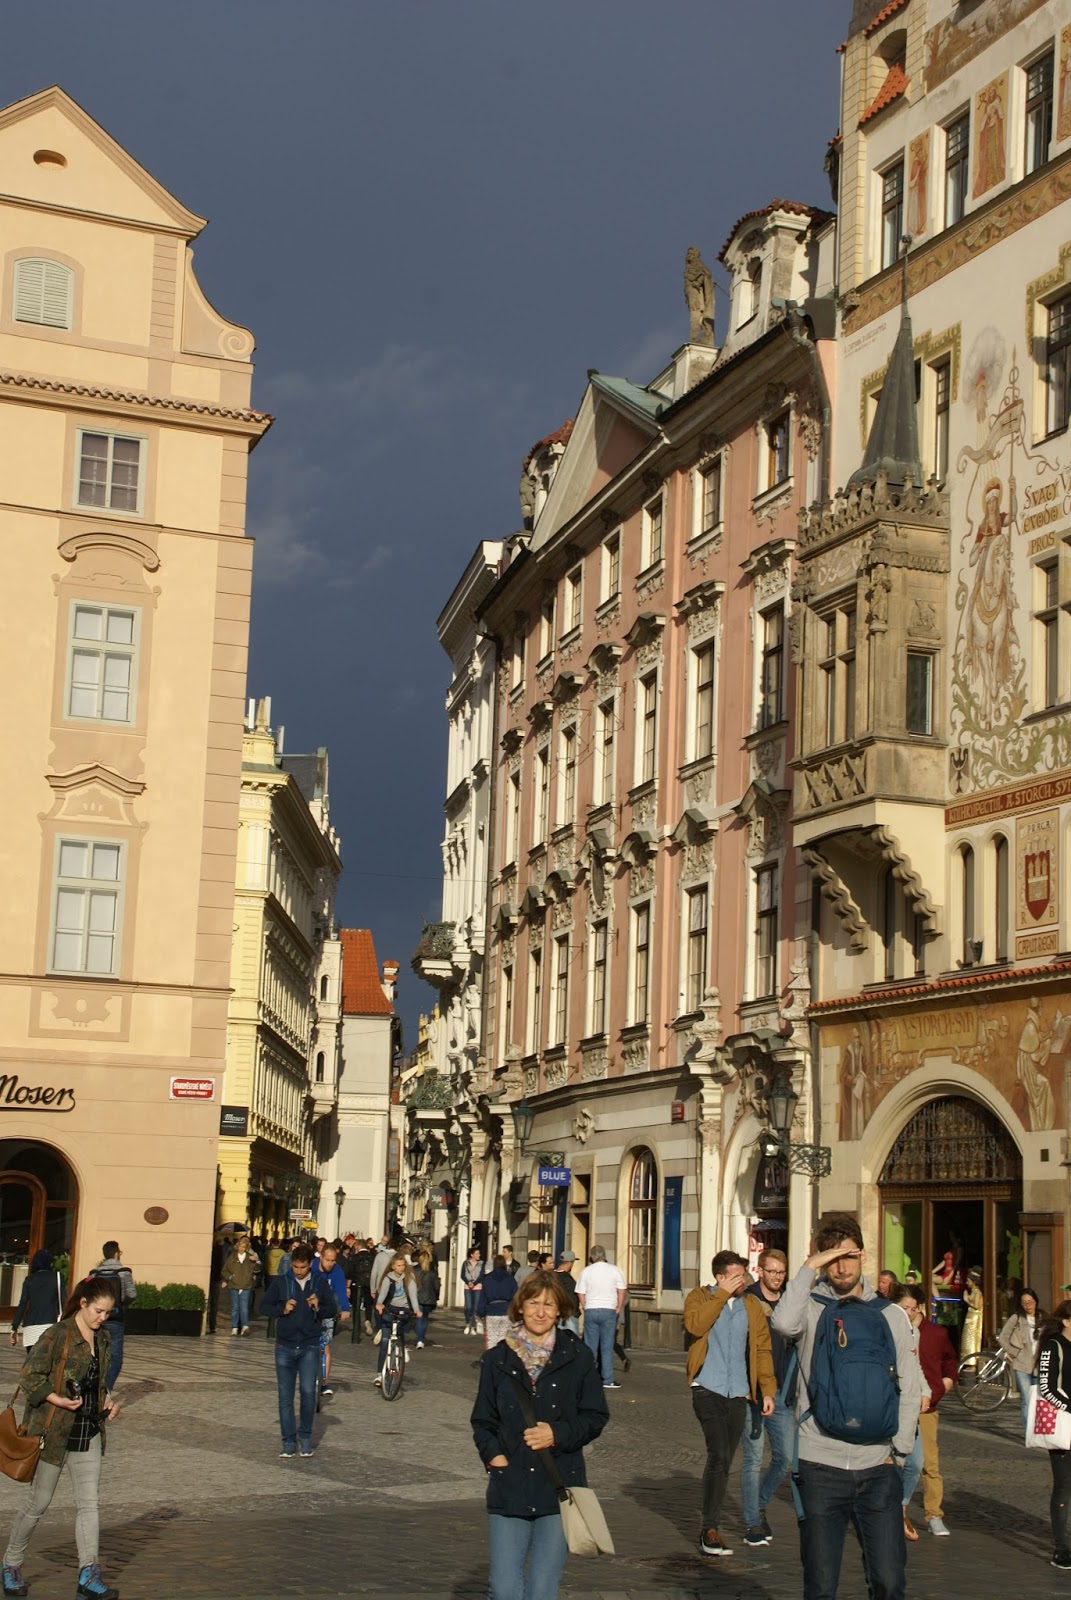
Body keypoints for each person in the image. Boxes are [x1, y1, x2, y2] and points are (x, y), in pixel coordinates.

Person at [772, 1212, 920, 1600]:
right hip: (820, 1463)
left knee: (889, 1581)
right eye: (832, 1258)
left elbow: (910, 1386)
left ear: (863, 1256)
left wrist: (899, 1453)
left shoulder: (891, 1315)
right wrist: (808, 1266)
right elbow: (782, 1324)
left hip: (878, 1466)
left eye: (849, 1256)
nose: (841, 1267)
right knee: (821, 1585)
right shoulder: (810, 1308)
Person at [471, 1270, 609, 1600]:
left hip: (559, 1485)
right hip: (510, 1484)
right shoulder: (497, 1358)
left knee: (542, 1591)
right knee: (504, 1590)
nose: (540, 1312)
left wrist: (556, 1433)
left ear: (560, 1310)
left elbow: (595, 1416)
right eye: (533, 1303)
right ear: (520, 1307)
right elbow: (483, 1420)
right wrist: (495, 1457)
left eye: (549, 1305)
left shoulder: (578, 1357)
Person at [2, 1275, 122, 1600]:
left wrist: (108, 1401)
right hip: (52, 1432)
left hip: (88, 1431)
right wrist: (56, 1398)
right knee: (38, 1503)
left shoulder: (103, 1338)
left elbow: (99, 1383)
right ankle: (11, 1564)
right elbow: (29, 1376)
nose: (103, 1318)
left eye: (108, 1312)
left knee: (89, 1505)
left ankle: (89, 1575)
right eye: (98, 1311)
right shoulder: (57, 1334)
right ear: (83, 1304)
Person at [684, 1249, 776, 1558]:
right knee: (719, 1454)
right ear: (720, 1277)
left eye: (744, 1274)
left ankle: (712, 1526)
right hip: (706, 1387)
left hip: (738, 1392)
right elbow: (695, 1326)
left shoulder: (751, 1306)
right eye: (736, 1276)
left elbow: (762, 1349)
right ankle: (709, 1529)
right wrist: (720, 1296)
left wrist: (767, 1390)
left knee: (725, 1461)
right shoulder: (699, 1298)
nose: (743, 1280)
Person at [260, 1244, 337, 1457]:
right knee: (285, 1396)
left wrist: (319, 1306)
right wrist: (282, 1309)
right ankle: (288, 1441)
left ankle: (305, 1437)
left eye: (303, 1267)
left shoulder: (319, 1282)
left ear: (310, 1264)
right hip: (284, 1346)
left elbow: (332, 1309)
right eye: (295, 1267)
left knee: (308, 1393)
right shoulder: (282, 1282)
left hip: (309, 1345)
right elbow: (264, 1306)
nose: (299, 1271)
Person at [893, 1283, 956, 1537]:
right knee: (896, 1460)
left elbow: (948, 1360)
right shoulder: (892, 1329)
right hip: (898, 1404)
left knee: (926, 1462)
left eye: (912, 1308)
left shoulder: (934, 1333)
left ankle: (933, 1514)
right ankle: (893, 1510)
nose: (908, 1312)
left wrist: (942, 1385)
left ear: (920, 1307)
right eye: (903, 1307)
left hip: (926, 1407)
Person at [741, 1247, 793, 1547]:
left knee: (784, 1458)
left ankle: (759, 1503)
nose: (777, 1277)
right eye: (772, 1271)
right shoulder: (748, 1299)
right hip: (751, 1391)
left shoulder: (789, 1302)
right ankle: (752, 1523)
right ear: (760, 1271)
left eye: (782, 1272)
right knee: (753, 1459)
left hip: (782, 1390)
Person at [1036, 1299, 1071, 1570]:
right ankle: (1061, 1548)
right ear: (1066, 1321)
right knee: (1064, 1486)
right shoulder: (1054, 1345)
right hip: (1064, 1424)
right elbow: (1047, 1387)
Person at [575, 1246, 626, 1389]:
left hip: (591, 1309)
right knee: (607, 1346)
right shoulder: (615, 1270)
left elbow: (580, 1292)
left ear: (591, 1257)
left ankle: (590, 1377)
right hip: (609, 1309)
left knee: (590, 1346)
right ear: (604, 1255)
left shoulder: (586, 1271)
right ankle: (607, 1379)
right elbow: (621, 1291)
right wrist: (618, 1307)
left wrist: (585, 1306)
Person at [90, 1243, 136, 1392]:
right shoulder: (124, 1272)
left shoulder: (94, 1273)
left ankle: (94, 1386)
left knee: (96, 1354)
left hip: (96, 1319)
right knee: (115, 1357)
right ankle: (107, 1389)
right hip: (116, 1318)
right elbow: (132, 1294)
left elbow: (88, 1294)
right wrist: (121, 1304)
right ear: (116, 1253)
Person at [999, 1285, 1042, 1434]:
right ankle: (1029, 1432)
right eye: (1024, 1302)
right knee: (1027, 1399)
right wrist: (1016, 1352)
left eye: (1030, 1302)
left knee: (1039, 1399)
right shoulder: (1016, 1318)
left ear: (1036, 1301)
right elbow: (1003, 1338)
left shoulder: (1043, 1318)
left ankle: (1038, 1430)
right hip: (1022, 1365)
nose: (1027, 1305)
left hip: (1040, 1364)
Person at [373, 1253, 421, 1384]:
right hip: (389, 1309)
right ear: (393, 1266)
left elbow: (413, 1296)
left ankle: (401, 1347)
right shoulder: (388, 1278)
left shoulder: (409, 1278)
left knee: (400, 1331)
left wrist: (416, 1310)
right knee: (385, 1342)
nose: (401, 1268)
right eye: (398, 1265)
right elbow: (383, 1294)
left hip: (403, 1309)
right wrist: (379, 1304)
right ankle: (379, 1374)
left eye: (403, 1265)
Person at [9, 1252, 64, 1351]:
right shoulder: (57, 1277)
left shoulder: (29, 1280)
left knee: (32, 1359)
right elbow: (64, 1301)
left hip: (31, 1328)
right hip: (51, 1324)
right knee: (50, 1358)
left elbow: (23, 1304)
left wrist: (14, 1327)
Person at [315, 1244, 351, 1394]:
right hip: (310, 1308)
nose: (330, 1263)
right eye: (327, 1260)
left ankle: (324, 1383)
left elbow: (341, 1290)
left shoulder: (337, 1271)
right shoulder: (312, 1267)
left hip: (328, 1310)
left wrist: (345, 1309)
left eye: (333, 1260)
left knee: (326, 1346)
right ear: (321, 1258)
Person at [220, 1233, 259, 1337]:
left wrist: (257, 1261)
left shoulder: (250, 1257)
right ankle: (235, 1327)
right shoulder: (232, 1257)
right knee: (235, 1307)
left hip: (246, 1285)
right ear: (237, 1247)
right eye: (240, 1247)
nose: (242, 1249)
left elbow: (258, 1269)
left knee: (244, 1307)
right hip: (234, 1285)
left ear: (246, 1248)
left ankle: (245, 1326)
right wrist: (229, 1278)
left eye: (244, 1247)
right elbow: (225, 1270)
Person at [478, 1256, 519, 1351]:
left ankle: (491, 1357)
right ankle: (502, 1357)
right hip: (506, 1311)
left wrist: (480, 1312)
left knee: (491, 1340)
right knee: (504, 1339)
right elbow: (515, 1297)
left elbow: (483, 1297)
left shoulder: (488, 1279)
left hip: (492, 1312)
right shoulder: (510, 1279)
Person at [960, 1268, 983, 1358]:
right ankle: (967, 1358)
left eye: (968, 1281)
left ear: (974, 1282)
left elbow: (976, 1306)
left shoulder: (977, 1292)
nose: (967, 1283)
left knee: (972, 1339)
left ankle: (972, 1359)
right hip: (970, 1317)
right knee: (967, 1338)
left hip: (974, 1318)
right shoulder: (973, 1291)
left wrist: (966, 1300)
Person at [461, 1247, 484, 1336]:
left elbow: (482, 1275)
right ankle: (467, 1324)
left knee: (475, 1308)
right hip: (468, 1287)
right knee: (468, 1307)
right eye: (477, 1254)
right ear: (472, 1255)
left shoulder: (481, 1263)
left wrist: (474, 1283)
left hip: (478, 1287)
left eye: (479, 1254)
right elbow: (462, 1275)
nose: (479, 1255)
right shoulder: (466, 1263)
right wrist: (468, 1282)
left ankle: (473, 1327)